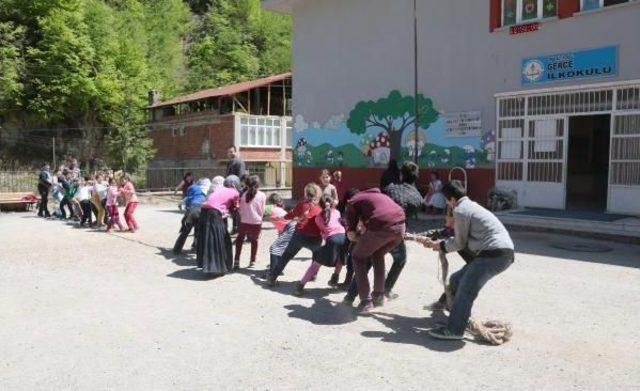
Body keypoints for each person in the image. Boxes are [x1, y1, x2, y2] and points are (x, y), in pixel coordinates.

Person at [421, 181, 515, 340]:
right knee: (456, 280)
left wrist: (440, 246)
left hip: (494, 254)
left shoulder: (461, 210)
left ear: (451, 199)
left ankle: (455, 330)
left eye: (446, 200)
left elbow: (459, 243)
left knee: (465, 289)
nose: (446, 203)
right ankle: (458, 320)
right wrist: (441, 243)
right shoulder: (470, 206)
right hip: (497, 253)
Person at [345, 187, 406, 313]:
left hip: (382, 226)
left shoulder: (353, 200)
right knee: (377, 254)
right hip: (401, 227)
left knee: (357, 257)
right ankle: (379, 295)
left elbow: (351, 229)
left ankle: (366, 301)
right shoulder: (380, 196)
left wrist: (351, 232)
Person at [267, 183, 323, 286]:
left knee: (286, 256)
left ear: (306, 193)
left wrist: (282, 218)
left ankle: (272, 277)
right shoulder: (320, 209)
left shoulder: (301, 204)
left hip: (299, 236)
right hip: (315, 238)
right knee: (317, 255)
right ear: (318, 195)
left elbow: (290, 215)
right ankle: (313, 274)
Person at [294, 194, 347, 296]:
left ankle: (300, 287)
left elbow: (324, 232)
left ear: (320, 205)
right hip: (343, 237)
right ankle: (335, 278)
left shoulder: (318, 218)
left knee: (316, 264)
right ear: (332, 203)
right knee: (340, 259)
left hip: (332, 239)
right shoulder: (337, 212)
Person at [197, 177, 240, 275]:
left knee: (210, 239)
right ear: (234, 184)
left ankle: (211, 266)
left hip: (203, 212)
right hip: (214, 213)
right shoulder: (235, 193)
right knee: (218, 240)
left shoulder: (219, 189)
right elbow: (237, 209)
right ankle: (217, 268)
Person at [234, 175, 266, 269]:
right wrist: (260, 218)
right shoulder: (262, 195)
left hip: (244, 221)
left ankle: (236, 261)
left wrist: (243, 216)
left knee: (240, 240)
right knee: (254, 241)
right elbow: (262, 210)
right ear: (258, 184)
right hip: (256, 222)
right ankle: (252, 261)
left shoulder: (243, 195)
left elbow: (240, 209)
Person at [173, 178, 211, 254]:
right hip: (203, 212)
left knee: (185, 230)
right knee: (199, 230)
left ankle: (177, 249)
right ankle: (196, 247)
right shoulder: (209, 191)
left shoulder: (193, 189)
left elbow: (186, 199)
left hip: (192, 210)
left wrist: (181, 204)